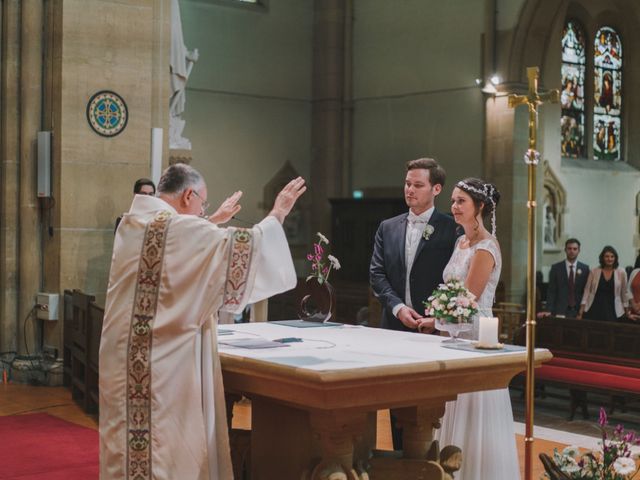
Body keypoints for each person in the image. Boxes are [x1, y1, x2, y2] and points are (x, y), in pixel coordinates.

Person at [99, 163, 306, 479]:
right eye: (202, 203)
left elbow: (179, 249)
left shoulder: (135, 224)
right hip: (163, 366)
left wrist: (211, 221)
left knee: (128, 448)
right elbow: (244, 249)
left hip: (124, 359)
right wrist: (277, 214)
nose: (201, 211)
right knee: (164, 449)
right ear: (188, 195)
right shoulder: (180, 229)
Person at [428, 177, 520, 480]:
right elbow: (453, 293)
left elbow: (470, 298)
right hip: (452, 333)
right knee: (453, 407)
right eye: (453, 200)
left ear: (479, 206)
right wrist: (436, 317)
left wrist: (435, 318)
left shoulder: (485, 247)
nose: (453, 207)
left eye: (461, 201)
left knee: (472, 407)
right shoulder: (461, 241)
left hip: (474, 336)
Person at [369, 157, 458, 449]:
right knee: (397, 405)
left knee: (428, 409)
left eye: (418, 185)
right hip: (394, 327)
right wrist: (397, 307)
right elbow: (377, 274)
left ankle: (426, 463)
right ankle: (400, 463)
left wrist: (435, 316)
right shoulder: (388, 226)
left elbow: (456, 280)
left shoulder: (451, 228)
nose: (410, 190)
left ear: (436, 189)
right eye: (407, 183)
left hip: (431, 331)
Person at [579, 245, 630, 322]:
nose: (609, 259)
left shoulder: (621, 272)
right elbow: (586, 291)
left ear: (615, 258)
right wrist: (581, 311)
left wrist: (627, 312)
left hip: (613, 309)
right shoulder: (594, 271)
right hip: (594, 307)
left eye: (612, 256)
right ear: (602, 258)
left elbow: (624, 293)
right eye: (607, 256)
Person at [544, 238, 590, 317]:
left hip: (578, 310)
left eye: (575, 249)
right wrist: (548, 310)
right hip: (560, 309)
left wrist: (584, 309)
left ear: (579, 250)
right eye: (569, 248)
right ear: (565, 250)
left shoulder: (585, 269)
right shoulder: (556, 268)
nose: (572, 251)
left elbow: (586, 291)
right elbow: (551, 291)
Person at [627, 256, 640, 321]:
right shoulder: (635, 272)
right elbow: (628, 290)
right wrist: (634, 305)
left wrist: (639, 305)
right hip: (634, 312)